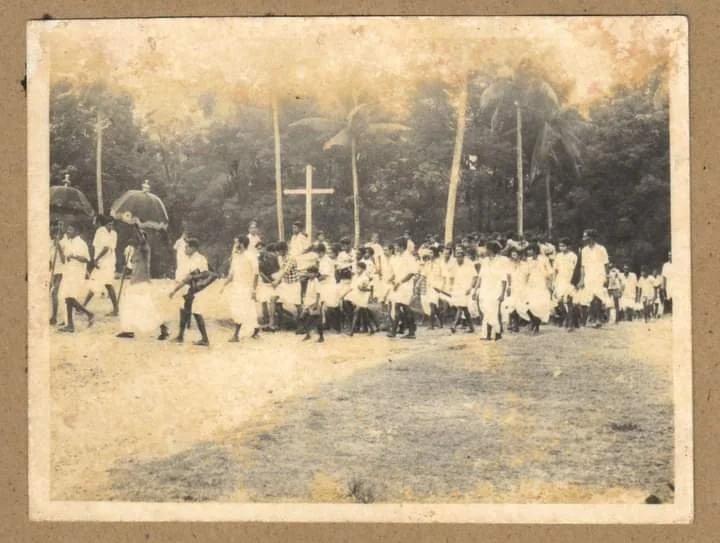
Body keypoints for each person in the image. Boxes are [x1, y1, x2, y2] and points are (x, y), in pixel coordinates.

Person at [116, 232, 168, 340]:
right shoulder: (134, 251)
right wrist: (126, 271)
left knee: (147, 308)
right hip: (134, 282)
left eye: (137, 238)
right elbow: (133, 268)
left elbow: (142, 241)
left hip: (142, 283)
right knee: (127, 306)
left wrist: (137, 229)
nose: (134, 239)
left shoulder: (145, 249)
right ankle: (128, 330)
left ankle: (163, 327)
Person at [169, 238, 214, 346]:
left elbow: (205, 273)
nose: (185, 249)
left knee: (197, 312)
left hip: (197, 289)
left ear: (193, 248)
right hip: (190, 288)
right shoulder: (189, 259)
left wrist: (192, 277)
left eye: (187, 247)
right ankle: (180, 336)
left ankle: (205, 339)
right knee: (184, 311)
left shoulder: (199, 259)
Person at [56, 223, 94, 333]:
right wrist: (59, 248)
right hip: (68, 272)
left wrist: (74, 256)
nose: (68, 231)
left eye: (70, 229)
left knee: (69, 297)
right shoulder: (69, 242)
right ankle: (70, 325)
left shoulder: (81, 243)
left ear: (77, 231)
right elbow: (64, 260)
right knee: (67, 297)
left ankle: (88, 314)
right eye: (67, 229)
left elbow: (86, 259)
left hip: (76, 273)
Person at [221, 235, 260, 342]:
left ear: (242, 244)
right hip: (237, 287)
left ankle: (236, 335)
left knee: (240, 310)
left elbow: (256, 274)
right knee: (246, 309)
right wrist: (224, 284)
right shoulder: (236, 257)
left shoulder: (251, 256)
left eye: (237, 243)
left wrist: (254, 289)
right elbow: (232, 274)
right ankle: (256, 329)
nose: (235, 245)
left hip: (246, 287)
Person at [83, 215, 119, 316]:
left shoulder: (102, 231)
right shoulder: (108, 232)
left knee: (104, 284)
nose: (111, 226)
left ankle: (116, 309)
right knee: (97, 283)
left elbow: (106, 248)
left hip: (105, 262)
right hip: (106, 262)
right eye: (109, 224)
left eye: (112, 224)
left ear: (99, 222)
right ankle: (83, 306)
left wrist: (96, 259)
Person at [475, 241, 509, 341]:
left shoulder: (501, 261)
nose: (484, 250)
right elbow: (480, 277)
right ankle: (491, 333)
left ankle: (495, 333)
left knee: (493, 311)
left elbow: (504, 278)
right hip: (485, 288)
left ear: (490, 250)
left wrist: (502, 293)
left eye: (486, 248)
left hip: (496, 288)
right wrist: (476, 290)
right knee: (485, 310)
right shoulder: (484, 261)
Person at [578, 229, 610, 327]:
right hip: (589, 276)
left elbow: (606, 264)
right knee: (590, 298)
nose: (584, 239)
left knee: (598, 297)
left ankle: (598, 319)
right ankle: (593, 318)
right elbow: (582, 266)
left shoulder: (601, 249)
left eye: (586, 237)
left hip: (599, 275)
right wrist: (582, 279)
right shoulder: (584, 250)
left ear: (591, 238)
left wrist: (607, 276)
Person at [387, 237, 418, 338]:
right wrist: (391, 279)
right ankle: (406, 329)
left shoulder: (409, 257)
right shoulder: (398, 257)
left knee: (402, 307)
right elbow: (397, 272)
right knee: (399, 307)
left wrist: (399, 282)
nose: (395, 248)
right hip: (398, 285)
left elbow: (411, 273)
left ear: (401, 246)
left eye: (397, 246)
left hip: (405, 285)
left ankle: (406, 331)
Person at [520, 243, 554, 334]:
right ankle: (533, 321)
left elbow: (550, 271)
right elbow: (526, 273)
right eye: (527, 250)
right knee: (526, 304)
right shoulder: (528, 260)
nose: (528, 252)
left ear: (534, 250)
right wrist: (524, 284)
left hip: (541, 283)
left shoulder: (544, 259)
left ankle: (536, 325)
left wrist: (550, 282)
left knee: (538, 305)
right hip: (531, 283)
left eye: (530, 250)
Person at [272, 241, 303, 327]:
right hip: (285, 284)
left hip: (294, 284)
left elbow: (285, 271)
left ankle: (301, 324)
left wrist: (276, 281)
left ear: (284, 250)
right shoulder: (281, 258)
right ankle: (283, 321)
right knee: (274, 301)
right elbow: (281, 270)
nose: (278, 252)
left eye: (279, 250)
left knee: (297, 305)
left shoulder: (291, 258)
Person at [448, 245, 477, 334]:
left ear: (463, 256)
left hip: (466, 288)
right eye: (457, 257)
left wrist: (470, 287)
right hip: (457, 288)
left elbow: (475, 277)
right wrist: (451, 287)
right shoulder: (454, 264)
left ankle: (454, 325)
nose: (458, 259)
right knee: (463, 307)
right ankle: (471, 327)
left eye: (460, 257)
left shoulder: (469, 263)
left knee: (461, 306)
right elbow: (451, 277)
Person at [552, 238, 579, 330]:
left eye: (563, 245)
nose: (561, 247)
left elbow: (576, 270)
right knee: (559, 301)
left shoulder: (573, 256)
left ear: (568, 246)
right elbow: (555, 270)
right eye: (560, 246)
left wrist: (575, 281)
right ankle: (566, 318)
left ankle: (570, 323)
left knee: (569, 301)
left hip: (570, 280)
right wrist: (554, 281)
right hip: (560, 280)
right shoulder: (558, 256)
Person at [345, 261, 377, 335]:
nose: (357, 270)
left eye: (359, 268)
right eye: (357, 268)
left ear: (363, 269)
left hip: (363, 296)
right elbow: (352, 287)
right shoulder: (355, 277)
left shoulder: (365, 278)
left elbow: (369, 289)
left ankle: (351, 331)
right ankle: (372, 329)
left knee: (356, 312)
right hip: (356, 295)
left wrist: (362, 289)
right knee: (364, 313)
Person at [417, 248, 443, 329]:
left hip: (437, 286)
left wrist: (441, 286)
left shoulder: (439, 263)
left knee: (432, 304)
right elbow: (423, 275)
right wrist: (418, 283)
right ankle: (441, 321)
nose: (430, 254)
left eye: (431, 253)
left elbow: (443, 276)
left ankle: (431, 325)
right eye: (429, 253)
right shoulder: (427, 264)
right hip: (429, 286)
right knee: (433, 305)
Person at [317, 243, 341, 332]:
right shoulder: (323, 259)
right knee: (323, 305)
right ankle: (326, 324)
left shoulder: (325, 261)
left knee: (332, 306)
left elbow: (324, 275)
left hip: (329, 285)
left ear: (321, 252)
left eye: (318, 252)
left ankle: (336, 327)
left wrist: (316, 279)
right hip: (325, 285)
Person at [299, 266, 325, 343]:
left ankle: (321, 337)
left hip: (314, 303)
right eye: (308, 273)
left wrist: (316, 304)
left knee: (317, 321)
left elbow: (318, 293)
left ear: (316, 274)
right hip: (308, 303)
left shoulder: (316, 281)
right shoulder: (309, 281)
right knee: (303, 318)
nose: (309, 274)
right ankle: (308, 334)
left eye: (311, 273)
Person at [49, 220, 68, 325]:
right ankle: (55, 316)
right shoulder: (51, 240)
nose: (59, 227)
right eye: (57, 225)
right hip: (54, 271)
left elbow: (64, 260)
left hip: (62, 271)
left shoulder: (65, 240)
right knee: (53, 294)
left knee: (55, 293)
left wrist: (59, 246)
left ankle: (55, 317)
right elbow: (51, 259)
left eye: (61, 224)